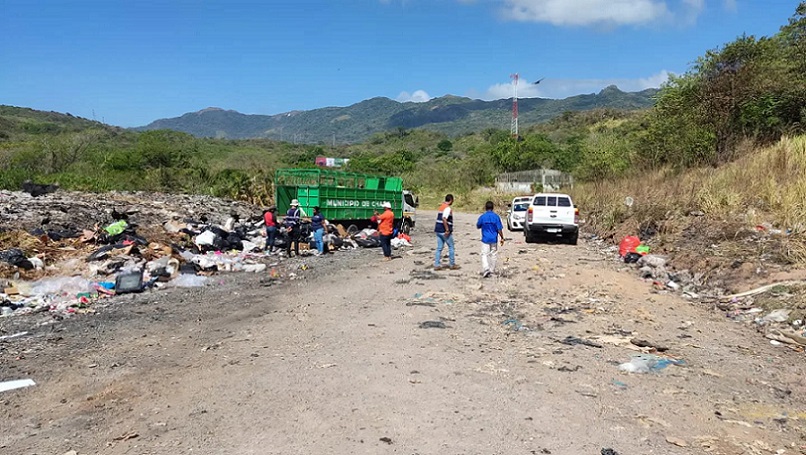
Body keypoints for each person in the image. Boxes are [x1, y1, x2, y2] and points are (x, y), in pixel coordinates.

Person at [476, 201, 505, 278]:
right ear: (493, 208)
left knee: (484, 254)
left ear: (485, 208)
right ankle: (492, 269)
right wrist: (502, 237)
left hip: (485, 239)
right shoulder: (496, 217)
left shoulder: (483, 217)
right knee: (493, 254)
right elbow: (499, 229)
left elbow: (478, 225)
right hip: (494, 239)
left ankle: (486, 268)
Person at [434, 194, 460, 270]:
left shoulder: (441, 207)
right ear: (451, 200)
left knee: (439, 248)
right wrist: (447, 229)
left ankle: (437, 264)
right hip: (444, 231)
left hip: (438, 230)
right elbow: (444, 218)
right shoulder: (447, 208)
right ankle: (452, 264)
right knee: (451, 247)